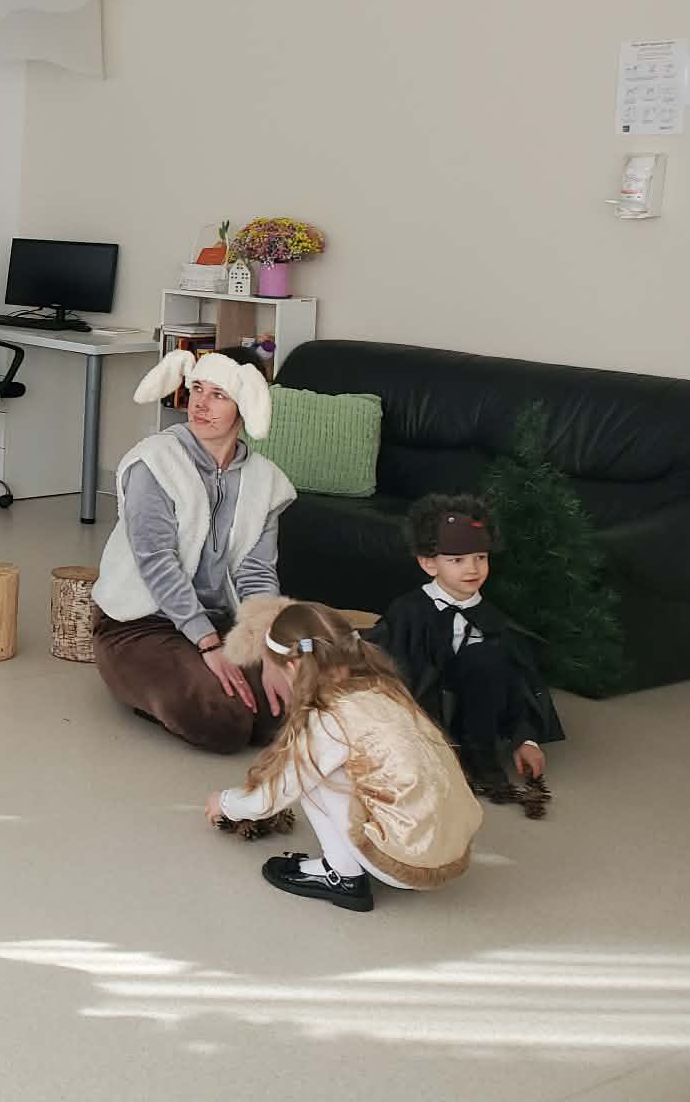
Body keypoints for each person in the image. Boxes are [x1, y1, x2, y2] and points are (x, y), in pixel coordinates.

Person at [207, 600, 483, 912]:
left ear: (294, 667)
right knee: (340, 763)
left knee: (311, 771)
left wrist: (225, 804)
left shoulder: (329, 719)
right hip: (452, 849)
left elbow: (271, 797)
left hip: (407, 863)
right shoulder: (383, 688)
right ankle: (374, 852)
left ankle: (341, 876)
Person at [91, 350, 297, 752]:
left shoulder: (266, 481)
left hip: (221, 621)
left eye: (218, 395)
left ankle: (188, 679)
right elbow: (157, 562)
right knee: (223, 722)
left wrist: (268, 646)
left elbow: (257, 572)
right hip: (139, 624)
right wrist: (208, 645)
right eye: (197, 389)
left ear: (246, 405)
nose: (200, 404)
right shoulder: (154, 461)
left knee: (280, 713)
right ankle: (151, 689)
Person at [368, 494, 563, 800]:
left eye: (480, 557)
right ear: (428, 563)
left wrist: (525, 739)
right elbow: (385, 671)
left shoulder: (493, 620)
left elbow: (516, 683)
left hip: (477, 720)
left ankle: (480, 757)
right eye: (457, 560)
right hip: (423, 721)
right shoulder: (407, 612)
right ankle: (438, 755)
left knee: (489, 655)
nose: (472, 569)